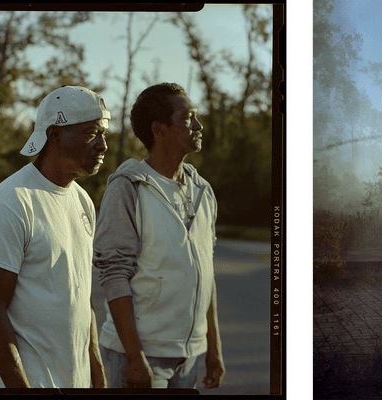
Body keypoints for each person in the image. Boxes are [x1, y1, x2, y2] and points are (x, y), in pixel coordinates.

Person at [0, 85, 110, 388]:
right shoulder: (11, 202)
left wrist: (97, 376)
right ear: (54, 134)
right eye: (90, 134)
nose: (102, 146)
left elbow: (82, 299)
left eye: (104, 135)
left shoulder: (83, 201)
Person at [93, 83, 225, 389]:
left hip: (189, 356)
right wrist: (134, 357)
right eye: (187, 117)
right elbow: (114, 276)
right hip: (141, 356)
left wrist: (212, 348)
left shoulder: (203, 191)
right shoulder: (128, 188)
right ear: (159, 129)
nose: (198, 125)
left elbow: (206, 274)